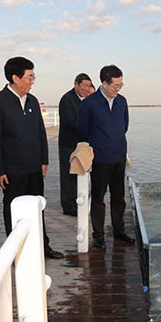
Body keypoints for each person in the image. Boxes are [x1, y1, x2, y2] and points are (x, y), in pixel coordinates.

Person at [0, 56, 63, 259]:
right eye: (29, 77)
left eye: (33, 76)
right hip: (12, 169)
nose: (32, 81)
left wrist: (44, 160)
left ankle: (42, 246)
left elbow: (40, 133)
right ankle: (15, 253)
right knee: (12, 209)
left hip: (34, 167)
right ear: (15, 78)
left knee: (38, 207)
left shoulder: (32, 100)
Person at [77, 65, 134, 249]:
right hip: (100, 159)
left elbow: (124, 126)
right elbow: (82, 129)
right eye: (115, 85)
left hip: (118, 157)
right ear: (104, 83)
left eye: (120, 85)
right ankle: (98, 235)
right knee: (99, 198)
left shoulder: (122, 101)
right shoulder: (89, 103)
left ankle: (119, 230)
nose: (118, 89)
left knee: (119, 197)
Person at [58, 73, 94, 216]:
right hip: (68, 144)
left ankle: (79, 202)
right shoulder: (67, 100)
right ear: (76, 84)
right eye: (84, 86)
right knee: (68, 176)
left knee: (80, 174)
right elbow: (71, 123)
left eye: (89, 86)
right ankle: (68, 206)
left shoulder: (87, 100)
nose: (86, 89)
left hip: (82, 144)